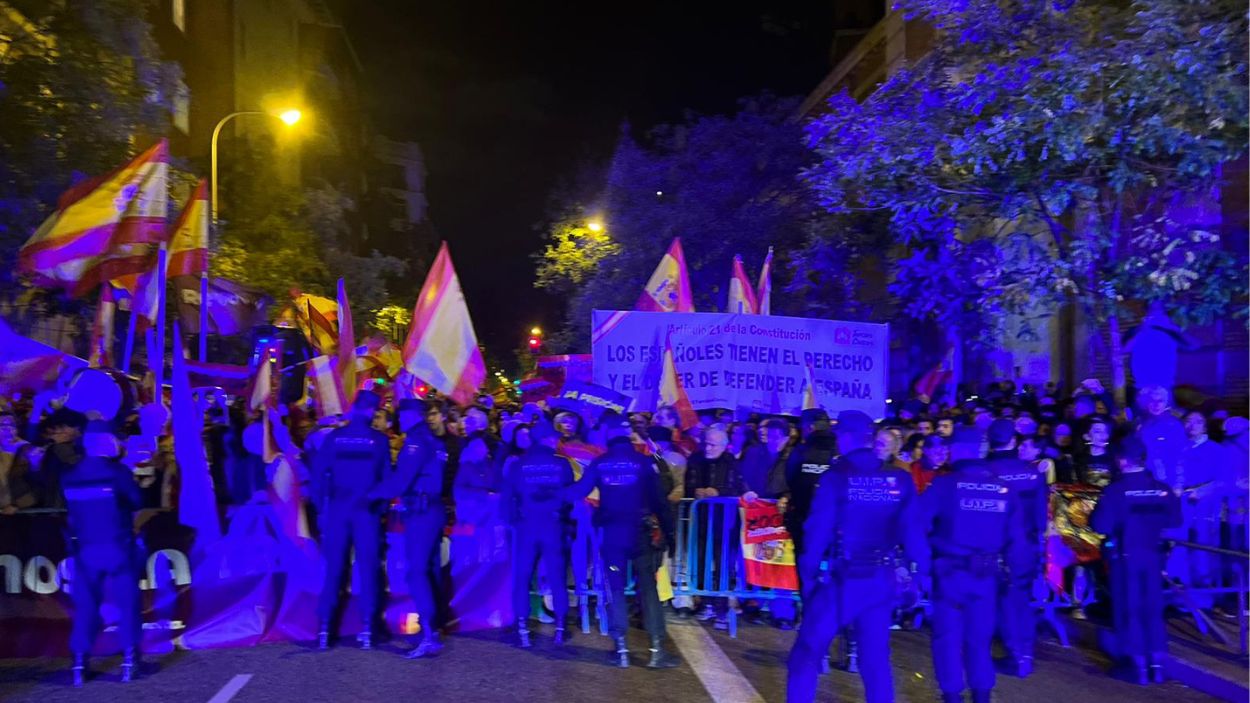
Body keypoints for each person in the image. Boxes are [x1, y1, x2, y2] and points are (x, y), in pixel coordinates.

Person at [787, 410, 928, 703]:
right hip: (882, 579)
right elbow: (914, 533)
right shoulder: (898, 478)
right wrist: (918, 577)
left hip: (845, 580)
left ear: (846, 437)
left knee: (807, 651)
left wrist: (809, 579)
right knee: (874, 657)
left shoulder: (836, 477)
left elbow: (817, 532)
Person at [921, 427, 1028, 703]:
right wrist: (1019, 578)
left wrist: (922, 563)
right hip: (987, 576)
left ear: (956, 450)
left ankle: (952, 695)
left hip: (950, 573)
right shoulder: (1005, 489)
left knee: (947, 638)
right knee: (980, 641)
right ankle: (982, 694)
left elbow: (918, 525)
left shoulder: (944, 485)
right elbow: (1017, 539)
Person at [568, 415, 679, 669]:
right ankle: (656, 650)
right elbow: (659, 503)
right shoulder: (643, 462)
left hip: (612, 536)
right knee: (648, 589)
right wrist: (671, 536)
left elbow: (576, 492)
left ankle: (621, 650)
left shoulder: (600, 462)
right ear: (629, 436)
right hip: (640, 534)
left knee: (615, 588)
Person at [1090, 436, 1182, 684]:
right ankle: (1158, 665)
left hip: (1126, 558)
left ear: (1121, 461)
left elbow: (1100, 524)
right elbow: (1175, 522)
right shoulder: (1163, 490)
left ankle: (1137, 666)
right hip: (1155, 556)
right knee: (1153, 609)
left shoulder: (1116, 491)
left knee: (1129, 609)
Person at [61, 420, 143, 686]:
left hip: (85, 550)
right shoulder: (116, 472)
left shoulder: (70, 475)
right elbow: (135, 501)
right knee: (127, 604)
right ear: (105, 440)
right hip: (118, 546)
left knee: (86, 606)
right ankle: (129, 661)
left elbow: (67, 512)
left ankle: (79, 664)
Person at [312, 390, 391, 651]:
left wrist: (321, 509)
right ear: (371, 411)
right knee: (368, 569)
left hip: (337, 510)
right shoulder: (378, 441)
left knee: (334, 569)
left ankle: (325, 629)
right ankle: (368, 627)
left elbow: (318, 475)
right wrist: (379, 509)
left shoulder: (334, 438)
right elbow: (386, 481)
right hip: (365, 511)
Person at [370, 399, 449, 659]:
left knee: (416, 573)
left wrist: (369, 494)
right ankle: (434, 629)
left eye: (403, 416)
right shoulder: (435, 441)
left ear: (415, 416)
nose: (400, 421)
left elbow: (401, 481)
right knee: (430, 571)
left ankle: (429, 636)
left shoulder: (415, 442)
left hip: (421, 512)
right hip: (433, 510)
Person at [502, 421, 576, 648]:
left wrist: (513, 522)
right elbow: (569, 497)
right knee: (556, 577)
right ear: (545, 439)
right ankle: (560, 627)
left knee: (522, 577)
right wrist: (566, 524)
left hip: (526, 526)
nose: (557, 441)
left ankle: (523, 627)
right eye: (553, 437)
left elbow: (508, 498)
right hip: (552, 525)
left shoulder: (518, 465)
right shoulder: (561, 465)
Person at [986, 418, 1048, 678]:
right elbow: (1042, 516)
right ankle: (1025, 653)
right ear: (1014, 441)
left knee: (1006, 602)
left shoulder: (987, 472)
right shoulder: (1033, 473)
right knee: (1021, 600)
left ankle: (1016, 657)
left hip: (998, 546)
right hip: (1027, 545)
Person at [781, 409, 837, 563]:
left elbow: (789, 478)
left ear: (809, 428)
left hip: (804, 517)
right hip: (833, 520)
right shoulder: (839, 452)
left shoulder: (800, 452)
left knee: (806, 564)